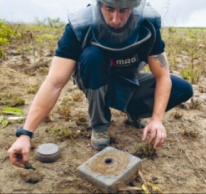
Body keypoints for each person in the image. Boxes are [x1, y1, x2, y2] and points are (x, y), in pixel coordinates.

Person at [8, 0, 193, 168]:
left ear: (134, 7)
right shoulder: (80, 26)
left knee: (182, 88)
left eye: (124, 11)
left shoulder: (148, 25)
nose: (116, 19)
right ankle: (100, 126)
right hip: (95, 79)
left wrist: (157, 119)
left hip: (130, 80)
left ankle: (134, 111)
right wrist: (26, 133)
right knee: (92, 56)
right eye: (109, 9)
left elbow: (162, 76)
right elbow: (54, 83)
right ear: (99, 5)